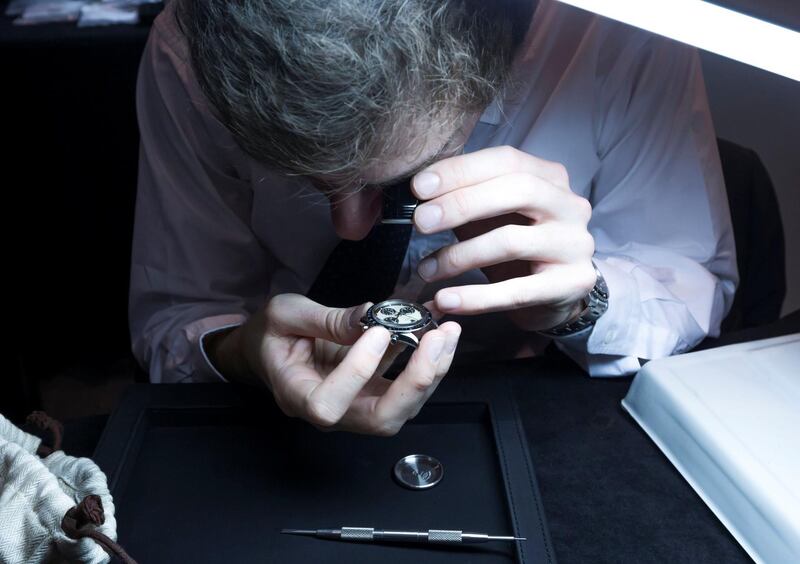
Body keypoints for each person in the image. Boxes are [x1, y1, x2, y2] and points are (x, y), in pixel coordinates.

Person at [129, 0, 737, 435]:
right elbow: (176, 314)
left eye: (401, 176)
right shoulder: (189, 50)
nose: (349, 228)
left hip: (543, 405)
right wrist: (242, 352)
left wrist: (581, 306)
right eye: (309, 178)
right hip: (268, 424)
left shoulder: (625, 24)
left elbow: (690, 283)